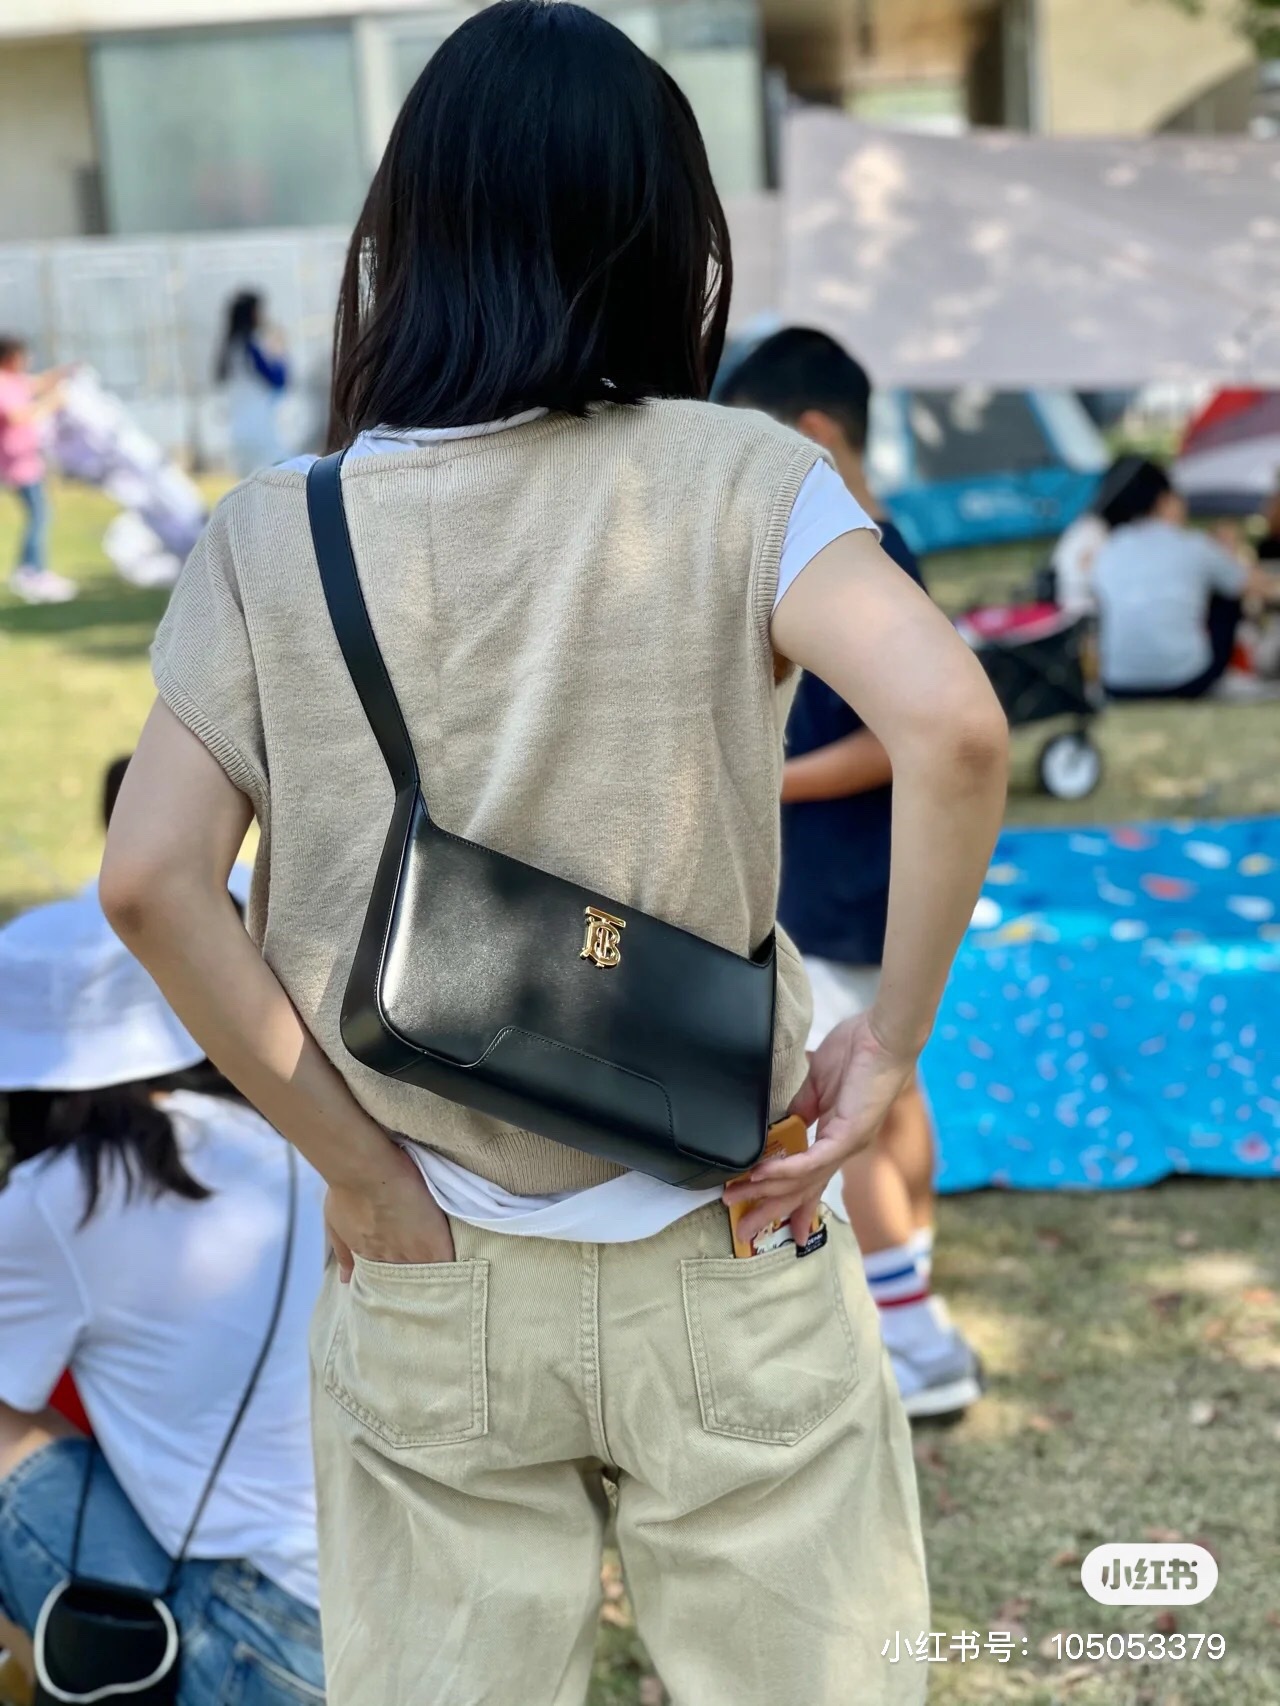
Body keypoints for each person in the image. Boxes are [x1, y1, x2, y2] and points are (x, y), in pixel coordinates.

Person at [100, 6, 1009, 1703]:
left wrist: (359, 1172)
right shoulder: (749, 476)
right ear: (669, 237)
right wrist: (890, 1045)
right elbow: (955, 727)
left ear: (407, 235)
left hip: (429, 1258)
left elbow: (151, 881)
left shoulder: (276, 529)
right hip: (727, 1224)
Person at [718, 327, 984, 1420]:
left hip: (831, 887)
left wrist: (760, 781)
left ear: (815, 436)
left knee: (837, 1107)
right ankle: (911, 1269)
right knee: (895, 1082)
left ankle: (910, 1332)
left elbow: (901, 738)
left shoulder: (847, 560)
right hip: (883, 879)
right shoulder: (890, 548)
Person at [0, 895, 327, 1705]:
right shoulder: (286, 1137)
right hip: (368, 1618)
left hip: (250, 1638)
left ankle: (61, 1673)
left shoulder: (65, 1197)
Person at [1092, 455, 1267, 700]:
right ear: (1164, 500)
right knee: (1227, 593)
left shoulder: (1110, 548)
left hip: (1116, 682)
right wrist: (1228, 554)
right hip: (1185, 680)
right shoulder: (1194, 545)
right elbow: (1254, 586)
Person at [0, 337, 76, 606]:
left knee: (39, 515)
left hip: (29, 463)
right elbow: (18, 416)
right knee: (39, 516)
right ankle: (32, 571)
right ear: (11, 357)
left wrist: (67, 372)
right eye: (23, 356)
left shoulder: (16, 381)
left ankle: (29, 569)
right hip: (17, 465)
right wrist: (51, 404)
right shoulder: (3, 384)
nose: (27, 361)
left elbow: (39, 382)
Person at [216, 292, 289, 477]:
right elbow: (278, 380)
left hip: (236, 431)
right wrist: (279, 353)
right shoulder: (251, 347)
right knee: (279, 478)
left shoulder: (228, 349)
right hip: (259, 429)